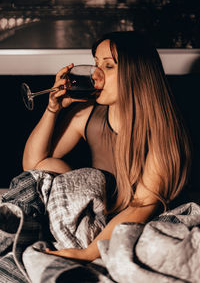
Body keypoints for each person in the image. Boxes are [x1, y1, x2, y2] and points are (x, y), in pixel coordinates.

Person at [22, 31, 191, 261]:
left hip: (137, 223)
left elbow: (140, 208)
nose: (96, 76)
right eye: (95, 65)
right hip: (96, 218)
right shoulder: (87, 115)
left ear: (136, 73)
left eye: (109, 67)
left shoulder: (161, 131)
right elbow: (34, 166)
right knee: (50, 166)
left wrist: (87, 254)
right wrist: (53, 110)